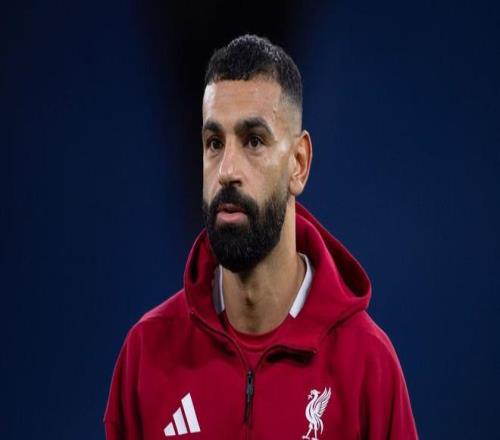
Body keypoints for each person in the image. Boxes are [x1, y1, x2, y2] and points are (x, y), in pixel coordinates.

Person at [103, 34, 418, 440]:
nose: (227, 170)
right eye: (214, 143)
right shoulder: (146, 355)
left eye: (253, 141)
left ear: (298, 164)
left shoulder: (368, 366)